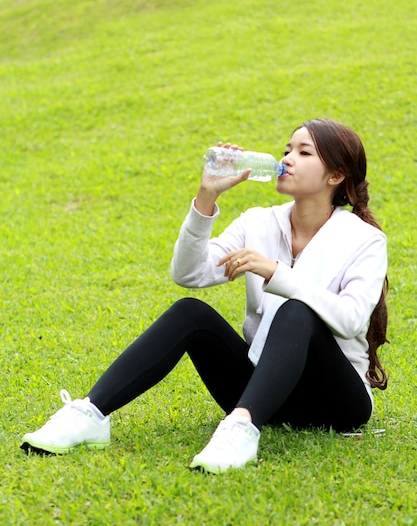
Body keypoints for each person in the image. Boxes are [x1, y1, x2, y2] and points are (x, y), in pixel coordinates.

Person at [21, 118, 389, 474]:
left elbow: (351, 319)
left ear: (336, 175)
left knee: (297, 312)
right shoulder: (259, 222)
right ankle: (90, 414)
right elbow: (189, 274)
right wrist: (206, 197)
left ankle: (240, 429)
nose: (288, 158)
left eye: (304, 153)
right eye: (287, 149)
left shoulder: (364, 240)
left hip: (336, 403)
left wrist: (277, 272)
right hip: (263, 391)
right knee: (189, 312)